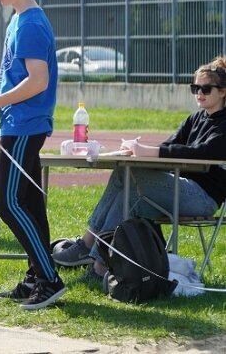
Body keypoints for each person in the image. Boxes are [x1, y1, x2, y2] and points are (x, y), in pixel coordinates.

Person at [52, 57, 226, 280]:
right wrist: (138, 151)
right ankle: (90, 250)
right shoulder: (195, 118)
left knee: (134, 191)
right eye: (195, 88)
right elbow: (169, 145)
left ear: (222, 91)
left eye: (205, 89)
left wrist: (149, 151)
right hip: (181, 188)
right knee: (124, 175)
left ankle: (97, 261)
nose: (199, 93)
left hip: (203, 198)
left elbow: (201, 153)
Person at [0, 0, 64, 310]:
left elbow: (38, 81)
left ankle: (50, 279)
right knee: (28, 203)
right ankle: (36, 277)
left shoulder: (29, 24)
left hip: (24, 125)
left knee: (8, 203)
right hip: (18, 122)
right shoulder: (18, 20)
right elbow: (21, 78)